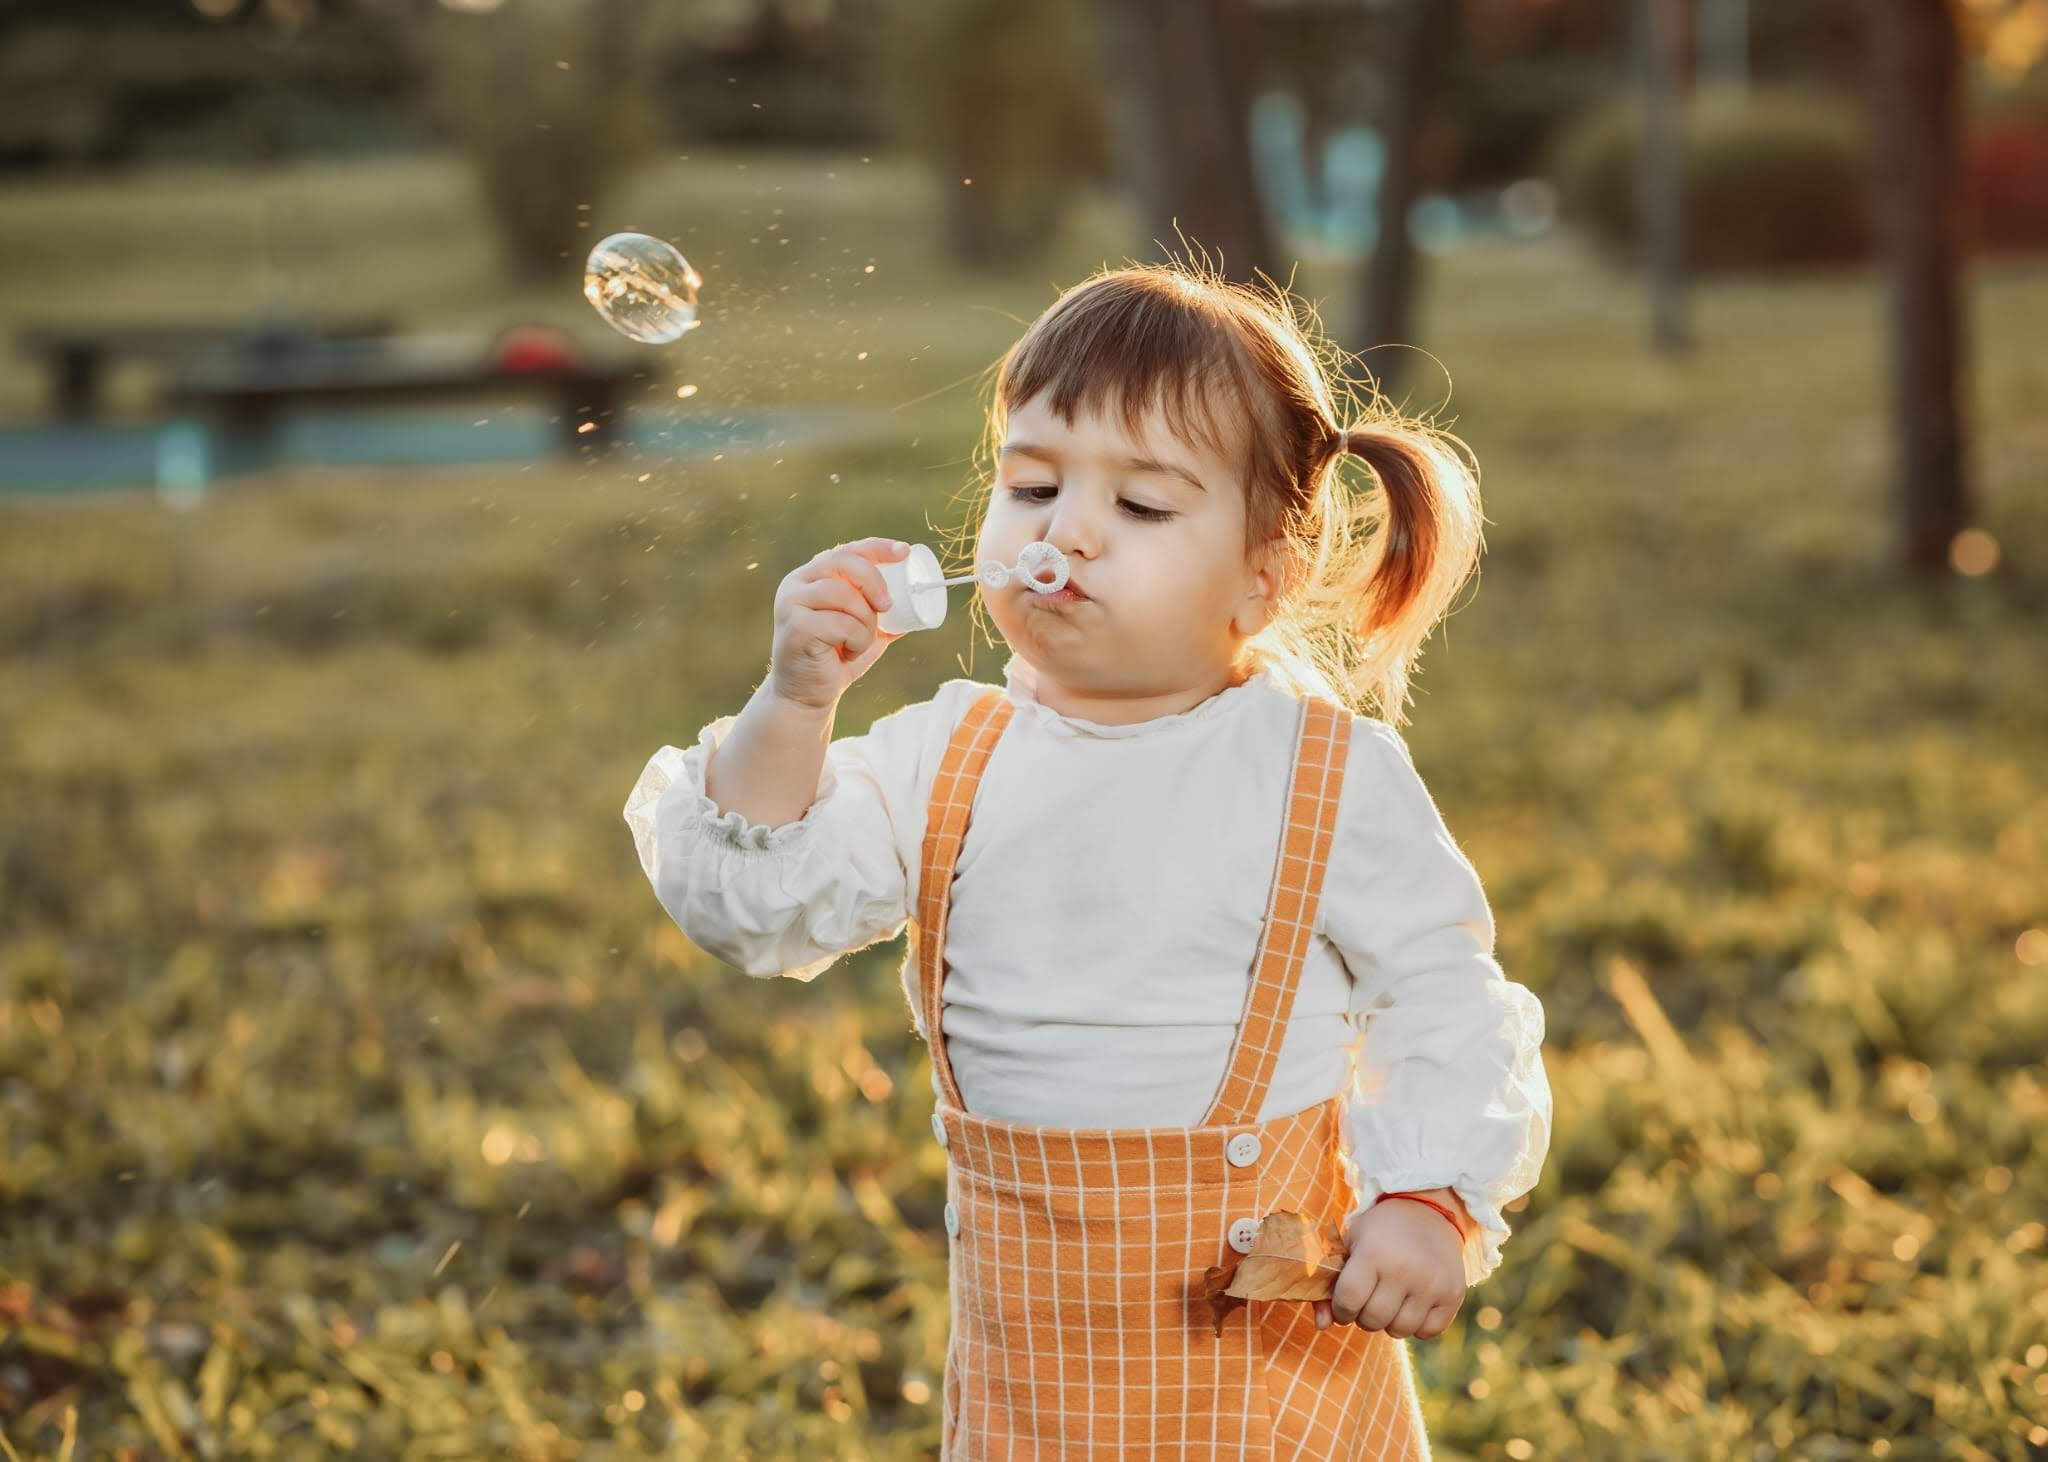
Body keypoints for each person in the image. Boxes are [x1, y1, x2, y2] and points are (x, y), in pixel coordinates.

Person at [623, 260, 1553, 1457]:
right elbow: (759, 905)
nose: (1063, 532)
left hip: (1270, 1366)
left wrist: (1426, 1199)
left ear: (1263, 578)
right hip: (1036, 1386)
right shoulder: (943, 755)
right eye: (1032, 483)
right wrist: (792, 705)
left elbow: (1445, 1000)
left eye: (1143, 508)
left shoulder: (1320, 774)